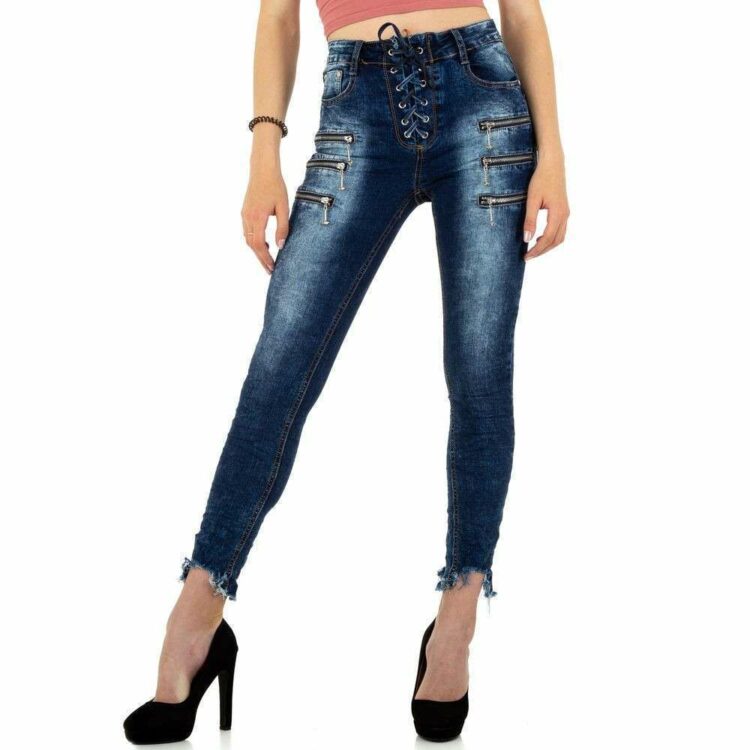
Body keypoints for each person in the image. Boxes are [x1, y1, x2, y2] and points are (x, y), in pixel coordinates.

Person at [123, 0, 569, 743]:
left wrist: (553, 151)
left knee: (480, 371)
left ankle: (456, 621)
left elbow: (520, 11)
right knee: (279, 370)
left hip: (483, 102)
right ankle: (198, 611)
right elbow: (278, 16)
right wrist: (263, 155)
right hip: (355, 107)